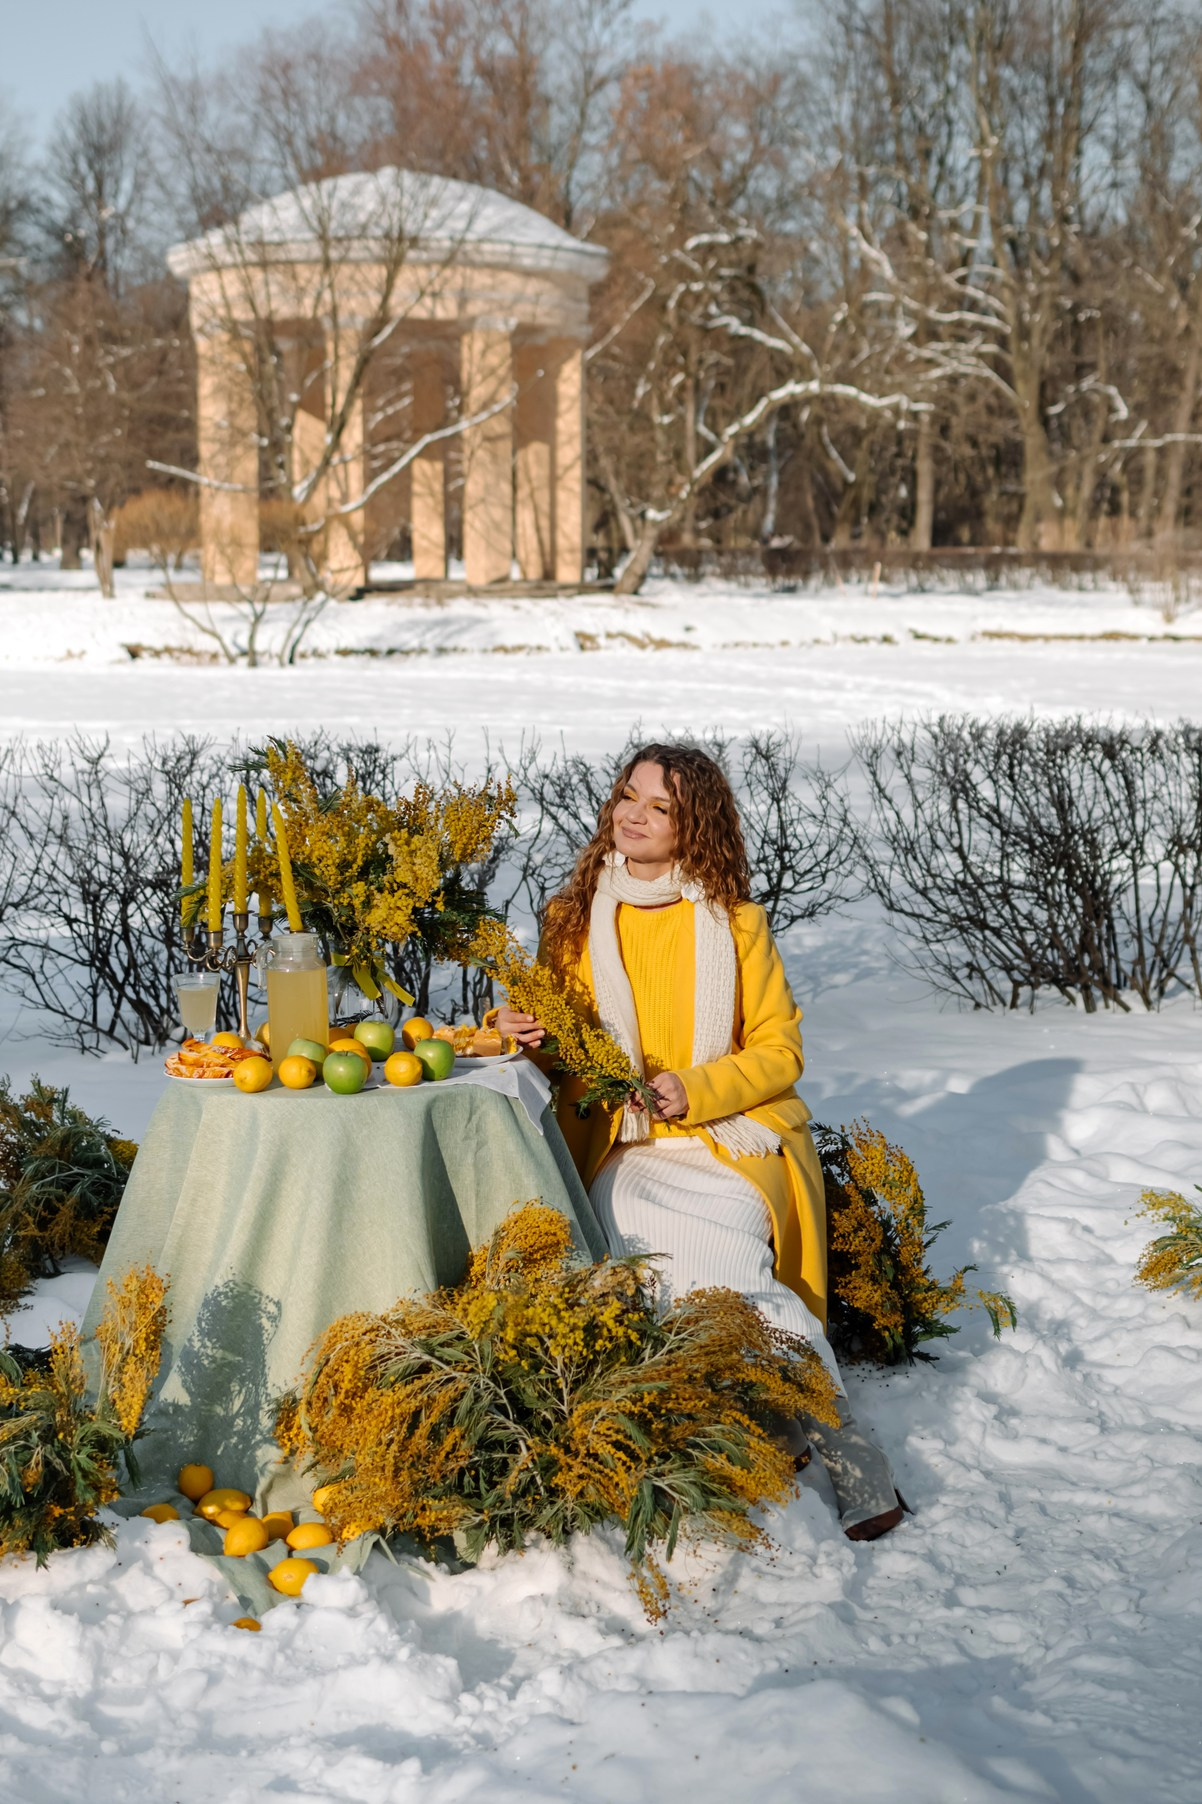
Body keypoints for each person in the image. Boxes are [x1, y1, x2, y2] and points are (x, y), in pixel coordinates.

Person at [495, 742, 906, 1542]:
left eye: (660, 807)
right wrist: (518, 1030)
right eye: (627, 795)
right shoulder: (570, 919)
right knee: (665, 1261)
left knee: (727, 1269)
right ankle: (741, 1433)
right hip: (628, 1150)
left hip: (732, 1142)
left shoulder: (737, 922)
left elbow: (781, 1051)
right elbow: (561, 1047)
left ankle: (843, 1446)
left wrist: (699, 1087)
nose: (633, 814)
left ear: (697, 827)